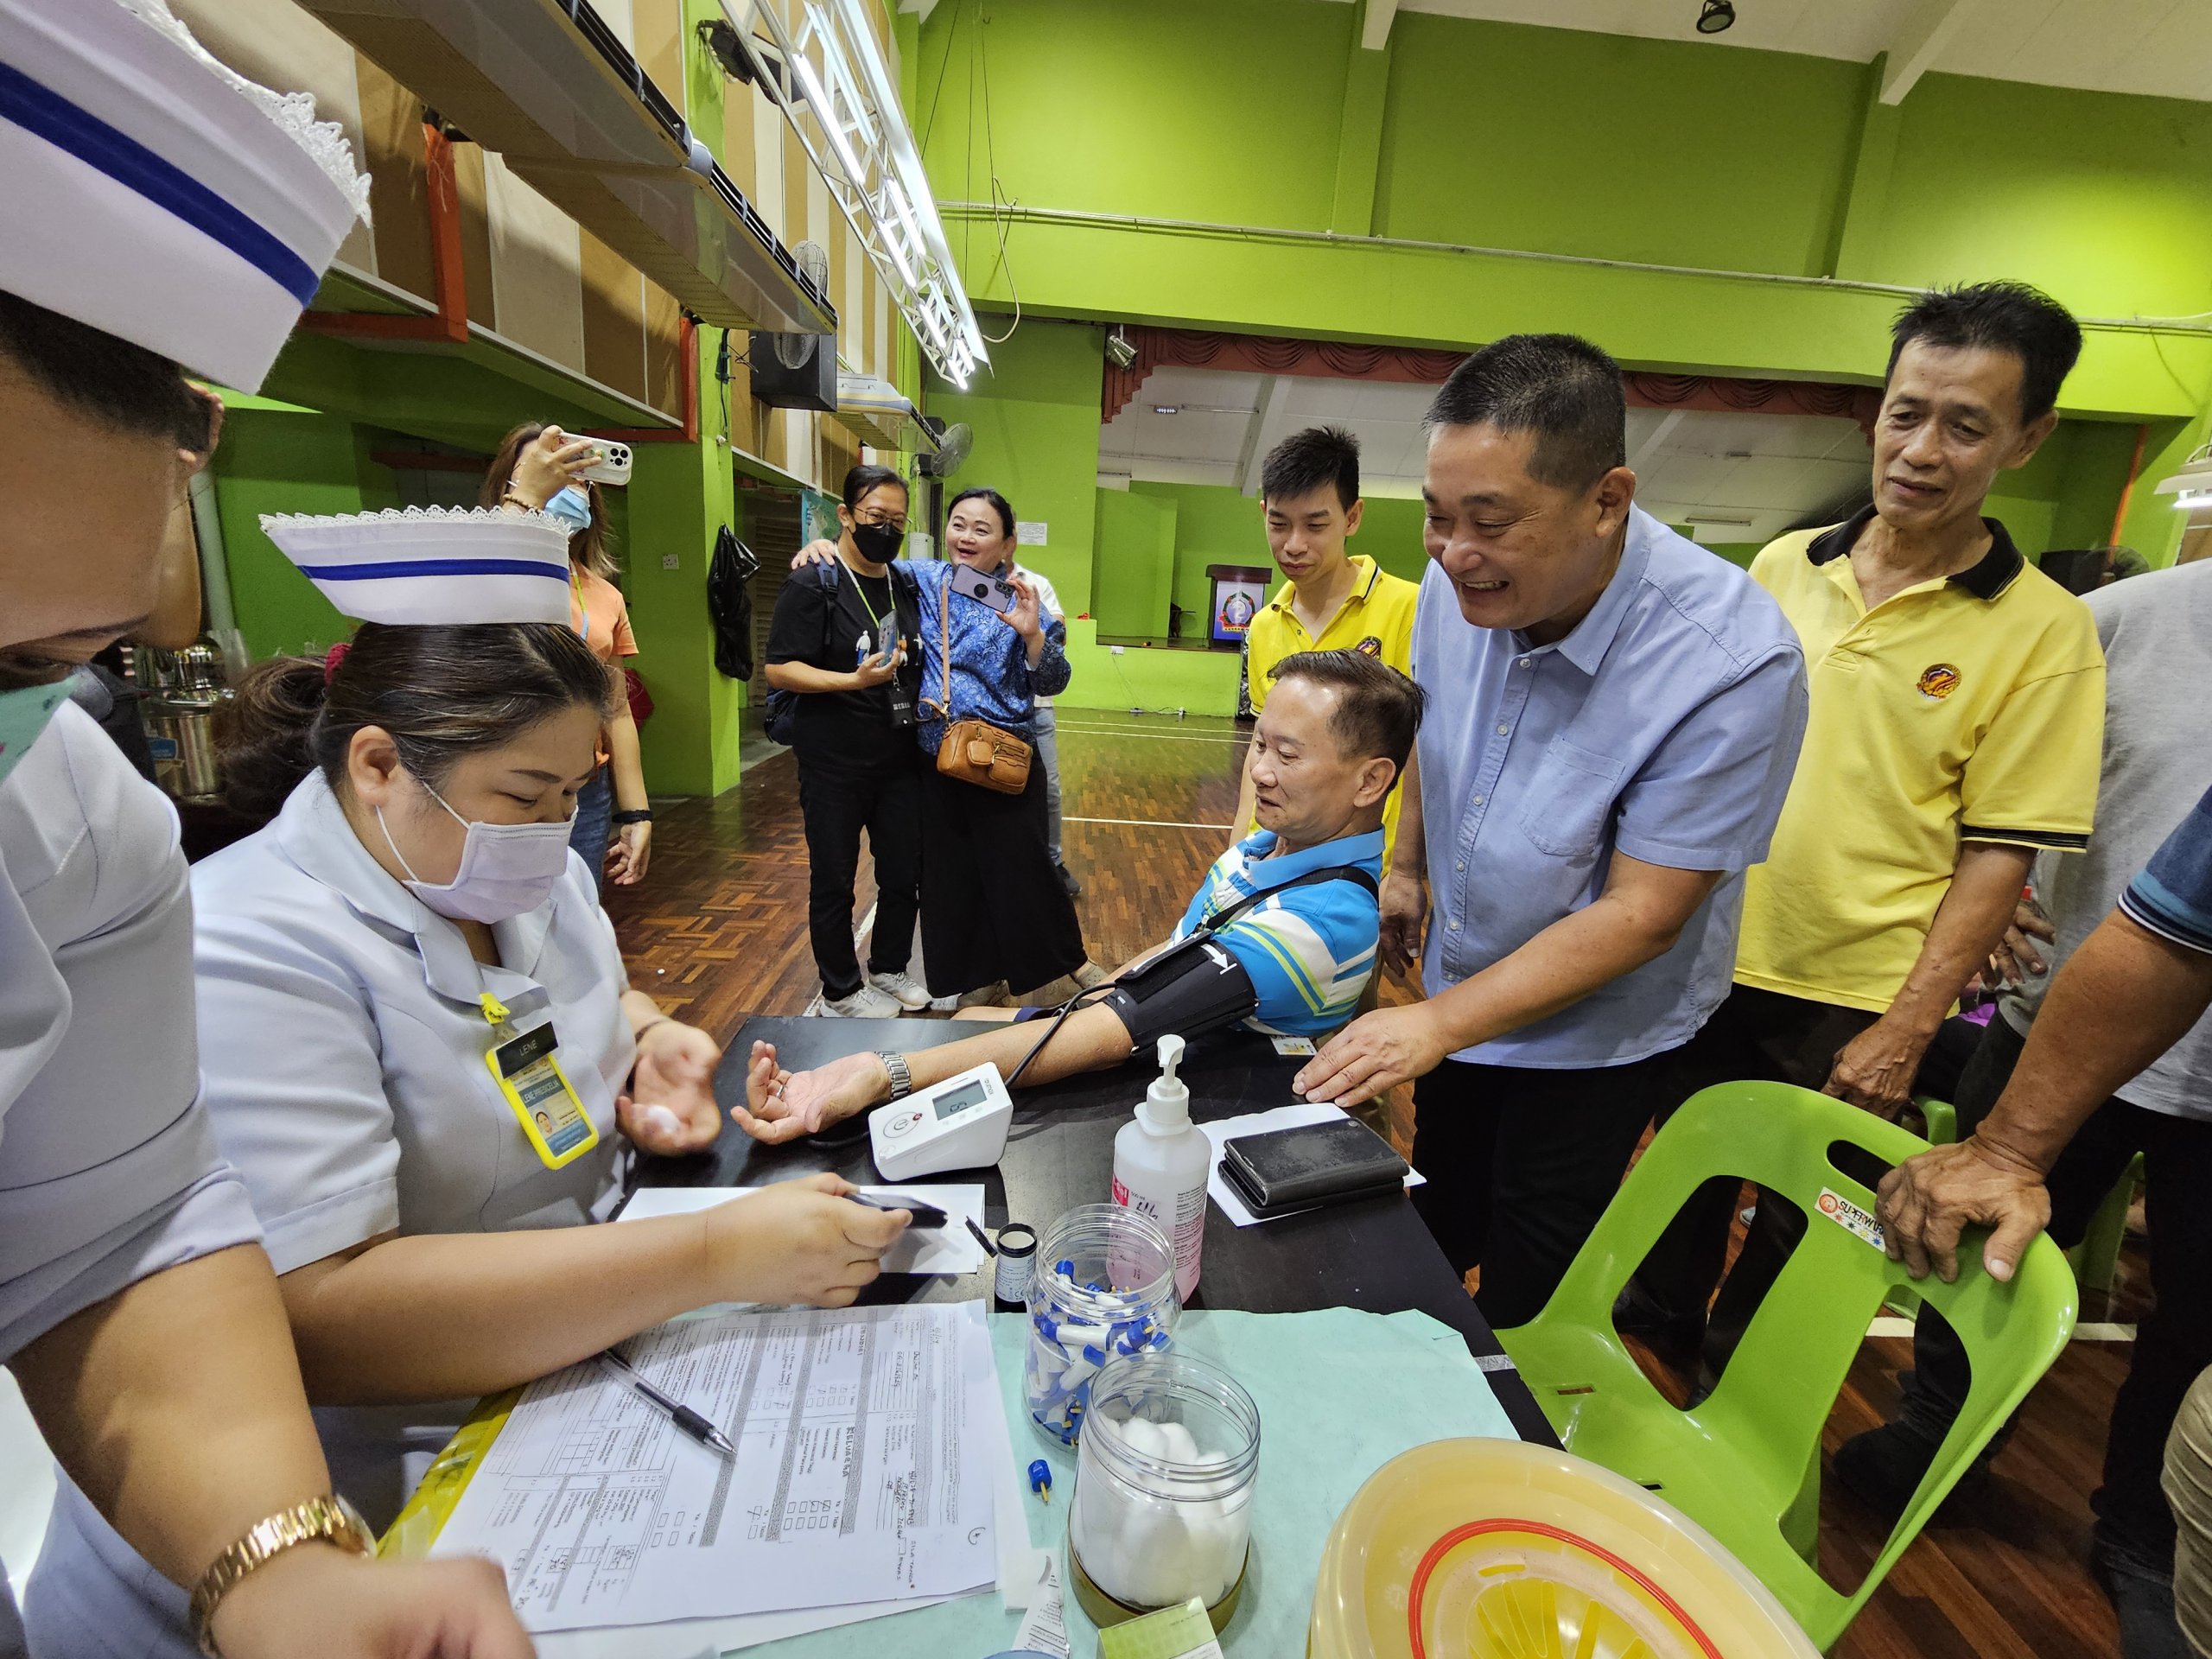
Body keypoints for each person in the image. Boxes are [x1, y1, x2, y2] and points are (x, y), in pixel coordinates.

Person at [30, 507, 913, 1658]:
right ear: (380, 765)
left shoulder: (510, 872)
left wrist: (649, 1041)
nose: (553, 835)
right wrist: (712, 1256)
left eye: (570, 799)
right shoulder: (247, 942)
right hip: (344, 1529)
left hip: (559, 1395)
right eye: (524, 796)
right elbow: (320, 1314)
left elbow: (570, 1002)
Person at [0, 3, 530, 1653]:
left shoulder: (71, 830)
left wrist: (278, 1562)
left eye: (43, 660)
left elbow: (111, 1226)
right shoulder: (274, 932)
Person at [1618, 282, 2106, 1374]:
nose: (1921, 449)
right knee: (1682, 1179)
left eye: (1965, 425)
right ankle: (1646, 1353)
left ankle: (1737, 1408)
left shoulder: (2045, 633)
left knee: (1801, 1229)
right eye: (1905, 412)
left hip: (1856, 990)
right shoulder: (1785, 566)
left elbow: (1998, 853)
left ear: (2028, 439)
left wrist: (1901, 1025)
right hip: (1708, 954)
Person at [1288, 334, 1808, 1331]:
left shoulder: (1729, 664)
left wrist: (1434, 1026)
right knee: (1447, 1204)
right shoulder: (1459, 579)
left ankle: (1509, 1443)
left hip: (1593, 1036)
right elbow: (1440, 728)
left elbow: (1644, 914)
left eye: (1490, 522)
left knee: (1537, 1260)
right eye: (1438, 518)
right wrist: (1405, 865)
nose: (1453, 553)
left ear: (1607, 500)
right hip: (1463, 975)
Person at [1834, 555, 2212, 1659]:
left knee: (2192, 1326)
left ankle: (2142, 1530)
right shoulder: (2109, 625)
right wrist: (1985, 905)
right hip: (2062, 1031)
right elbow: (1986, 796)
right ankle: (1939, 1430)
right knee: (1963, 1260)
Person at [729, 650, 1419, 1141]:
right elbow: (1166, 960)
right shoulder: (1266, 848)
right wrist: (1019, 1018)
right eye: (1259, 744)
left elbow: (1119, 1026)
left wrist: (885, 1075)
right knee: (975, 1025)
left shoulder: (1322, 919)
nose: (1260, 771)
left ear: (1369, 781)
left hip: (1209, 1130)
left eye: (1288, 756)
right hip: (1159, 1068)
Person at [798, 485, 1086, 1006]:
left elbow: (1053, 682)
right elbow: (865, 561)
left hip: (1005, 758)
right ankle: (968, 978)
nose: (966, 537)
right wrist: (821, 546)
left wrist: (1033, 638)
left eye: (982, 529)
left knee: (1025, 870)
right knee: (949, 881)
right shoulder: (926, 578)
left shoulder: (1024, 599)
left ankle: (1067, 963)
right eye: (959, 524)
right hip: (938, 756)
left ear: (1007, 542)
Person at [766, 464, 928, 1017]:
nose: (886, 529)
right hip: (833, 762)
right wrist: (850, 682)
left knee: (903, 874)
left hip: (899, 757)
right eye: (875, 517)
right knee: (834, 880)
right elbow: (780, 669)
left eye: (897, 521)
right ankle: (840, 990)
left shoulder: (905, 580)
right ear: (845, 515)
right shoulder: (815, 581)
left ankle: (888, 969)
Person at [1230, 427, 1419, 872]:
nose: (1294, 544)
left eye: (1316, 525)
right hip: (1280, 862)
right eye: (1278, 524)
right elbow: (1263, 746)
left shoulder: (1410, 608)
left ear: (1352, 517)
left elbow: (1422, 756)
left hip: (1368, 864)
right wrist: (1237, 849)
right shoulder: (1263, 625)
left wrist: (1406, 870)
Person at [479, 420, 651, 893]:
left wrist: (636, 812)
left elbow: (615, 707)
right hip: (495, 776)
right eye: (543, 468)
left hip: (582, 787)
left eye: (574, 476)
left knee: (573, 914)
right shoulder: (474, 566)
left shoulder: (604, 596)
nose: (560, 484)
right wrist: (523, 505)